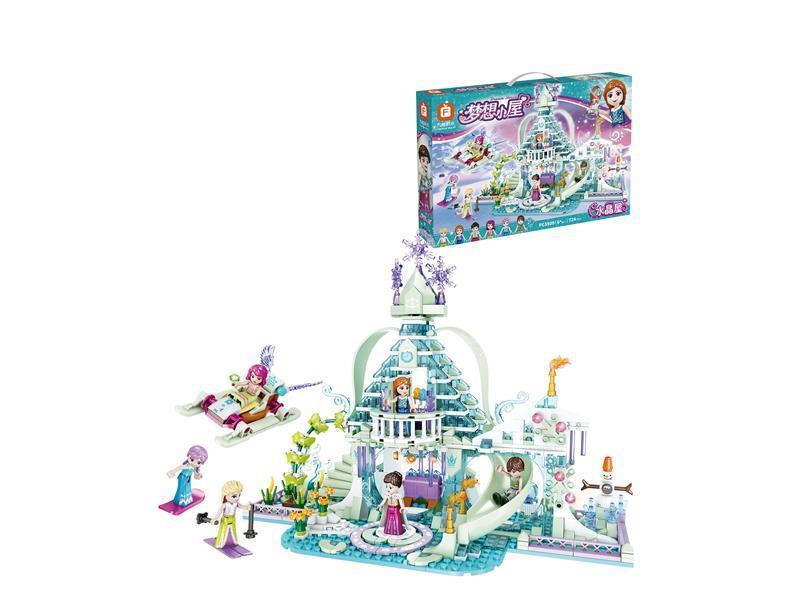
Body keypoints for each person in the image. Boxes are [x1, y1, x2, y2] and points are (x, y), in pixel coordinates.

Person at [212, 480, 250, 548]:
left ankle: (233, 541)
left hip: (232, 518)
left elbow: (241, 506)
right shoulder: (225, 504)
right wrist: (216, 518)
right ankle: (220, 542)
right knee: (224, 530)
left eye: (239, 495)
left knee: (233, 529)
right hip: (225, 519)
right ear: (225, 496)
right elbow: (219, 511)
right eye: (234, 496)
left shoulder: (236, 503)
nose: (237, 498)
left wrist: (247, 507)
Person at [378, 471, 407, 536]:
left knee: (396, 520)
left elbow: (401, 503)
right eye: (386, 486)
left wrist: (402, 508)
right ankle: (387, 531)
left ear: (398, 487)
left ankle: (397, 532)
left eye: (390, 487)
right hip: (389, 509)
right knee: (388, 520)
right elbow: (384, 501)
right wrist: (381, 505)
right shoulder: (387, 495)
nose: (388, 489)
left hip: (396, 509)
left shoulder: (398, 496)